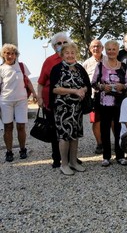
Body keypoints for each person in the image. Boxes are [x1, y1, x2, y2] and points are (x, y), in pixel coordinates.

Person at [50, 42, 91, 176]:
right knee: (64, 136)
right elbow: (54, 89)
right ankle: (64, 164)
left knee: (75, 135)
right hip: (63, 109)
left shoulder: (79, 68)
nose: (70, 55)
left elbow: (87, 86)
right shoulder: (57, 69)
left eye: (72, 53)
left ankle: (74, 162)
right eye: (67, 53)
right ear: (62, 55)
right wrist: (74, 91)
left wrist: (82, 90)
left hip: (76, 108)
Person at [91, 40, 127, 167]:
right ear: (105, 50)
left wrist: (122, 86)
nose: (111, 52)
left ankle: (120, 156)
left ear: (118, 51)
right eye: (109, 49)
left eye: (114, 49)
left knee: (119, 129)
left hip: (119, 103)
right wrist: (102, 87)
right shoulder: (100, 66)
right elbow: (93, 83)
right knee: (105, 129)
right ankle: (106, 156)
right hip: (104, 103)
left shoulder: (123, 66)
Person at [38, 32, 72, 168]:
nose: (62, 45)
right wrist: (39, 97)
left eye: (64, 42)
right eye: (59, 43)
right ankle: (57, 158)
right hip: (52, 102)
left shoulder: (71, 59)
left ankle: (71, 158)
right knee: (54, 130)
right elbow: (40, 82)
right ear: (54, 46)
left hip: (69, 101)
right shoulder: (49, 61)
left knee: (69, 129)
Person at [0, 44, 37, 162]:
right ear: (3, 55)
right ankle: (9, 151)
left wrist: (34, 94)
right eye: (7, 53)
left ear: (16, 55)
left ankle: (22, 149)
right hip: (6, 101)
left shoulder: (21, 66)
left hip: (21, 100)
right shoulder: (1, 69)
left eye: (12, 53)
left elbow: (28, 81)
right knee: (8, 127)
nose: (10, 56)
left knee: (21, 126)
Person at [82, 39, 108, 154]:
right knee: (96, 121)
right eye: (93, 46)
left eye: (98, 46)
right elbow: (83, 80)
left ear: (102, 48)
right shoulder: (86, 63)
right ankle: (99, 143)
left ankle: (112, 142)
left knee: (111, 120)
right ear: (90, 49)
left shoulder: (109, 60)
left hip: (109, 95)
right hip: (94, 96)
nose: (96, 48)